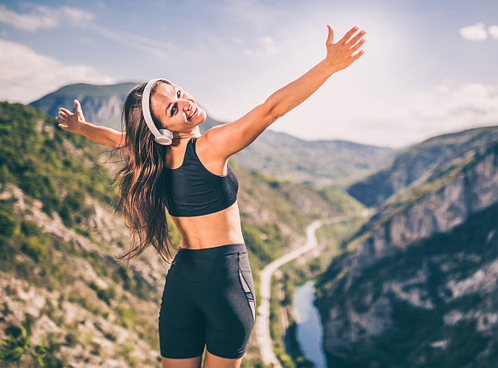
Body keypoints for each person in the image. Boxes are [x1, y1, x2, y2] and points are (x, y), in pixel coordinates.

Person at [55, 25, 365, 368]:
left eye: (179, 93)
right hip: (227, 282)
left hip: (183, 281)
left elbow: (116, 138)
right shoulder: (210, 146)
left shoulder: (150, 157)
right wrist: (328, 66)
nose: (185, 103)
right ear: (161, 129)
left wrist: (81, 128)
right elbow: (271, 110)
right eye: (173, 109)